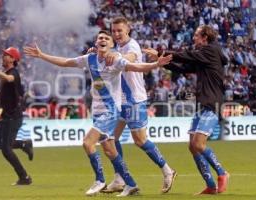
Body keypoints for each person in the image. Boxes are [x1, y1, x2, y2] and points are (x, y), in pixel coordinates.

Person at [23, 30, 172, 196]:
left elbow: (136, 66)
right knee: (109, 149)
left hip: (111, 110)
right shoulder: (90, 59)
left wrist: (156, 65)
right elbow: (65, 62)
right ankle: (130, 184)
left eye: (106, 38)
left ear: (111, 45)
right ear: (96, 43)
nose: (102, 40)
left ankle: (99, 180)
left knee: (88, 142)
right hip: (97, 111)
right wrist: (42, 55)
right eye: (100, 37)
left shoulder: (115, 60)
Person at [143, 25, 230, 195]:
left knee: (198, 144)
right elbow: (183, 67)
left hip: (212, 104)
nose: (194, 38)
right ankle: (211, 185)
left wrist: (161, 52)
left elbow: (186, 55)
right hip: (202, 104)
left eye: (196, 35)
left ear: (205, 37)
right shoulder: (205, 56)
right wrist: (162, 62)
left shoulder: (211, 50)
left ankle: (222, 172)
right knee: (192, 146)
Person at [101, 16, 177, 194]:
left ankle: (168, 170)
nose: (117, 34)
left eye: (120, 30)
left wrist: (116, 56)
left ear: (128, 30)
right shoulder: (117, 47)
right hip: (121, 101)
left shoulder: (132, 46)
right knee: (110, 138)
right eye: (114, 31)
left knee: (140, 140)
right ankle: (119, 178)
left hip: (134, 100)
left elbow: (131, 57)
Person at [0, 47, 32, 185]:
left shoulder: (13, 73)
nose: (3, 56)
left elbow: (9, 79)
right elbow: (2, 92)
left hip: (13, 116)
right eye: (3, 54)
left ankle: (24, 177)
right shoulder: (6, 73)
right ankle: (24, 143)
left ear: (13, 59)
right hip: (6, 116)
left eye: (7, 55)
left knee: (6, 149)